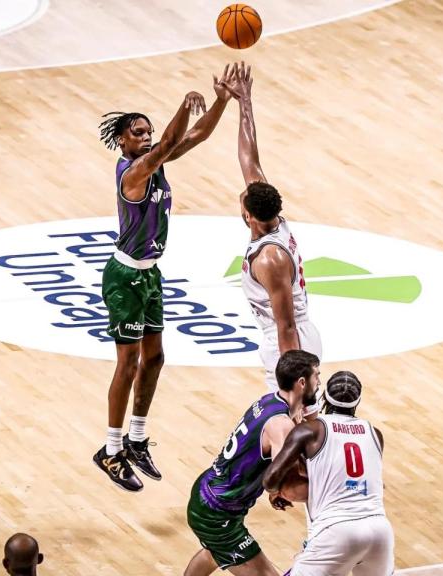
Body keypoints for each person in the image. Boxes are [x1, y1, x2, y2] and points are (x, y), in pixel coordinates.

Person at [93, 66, 237, 492]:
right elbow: (173, 139)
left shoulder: (156, 161)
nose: (146, 136)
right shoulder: (132, 172)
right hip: (125, 277)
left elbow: (194, 137)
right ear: (122, 140)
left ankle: (137, 439)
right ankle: (111, 449)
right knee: (128, 363)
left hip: (151, 275)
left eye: (148, 131)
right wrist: (183, 104)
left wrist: (222, 101)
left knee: (155, 359)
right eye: (138, 132)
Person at [183, 350, 322, 576]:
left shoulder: (269, 401)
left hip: (209, 492)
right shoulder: (280, 425)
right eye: (317, 376)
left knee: (216, 553)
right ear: (302, 382)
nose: (319, 383)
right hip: (217, 511)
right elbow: (286, 484)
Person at [230, 62, 323, 394]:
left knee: (288, 424)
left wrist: (295, 385)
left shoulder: (270, 258)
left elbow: (285, 325)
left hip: (290, 344)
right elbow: (249, 158)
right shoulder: (268, 213)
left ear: (249, 217)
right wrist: (244, 102)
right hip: (288, 337)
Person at [264, 371, 393, 576]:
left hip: (337, 530)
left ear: (324, 397)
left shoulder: (310, 430)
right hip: (380, 530)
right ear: (357, 401)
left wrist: (277, 490)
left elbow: (270, 479)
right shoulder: (375, 433)